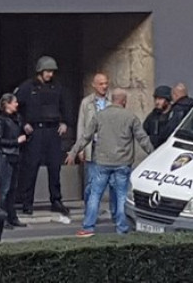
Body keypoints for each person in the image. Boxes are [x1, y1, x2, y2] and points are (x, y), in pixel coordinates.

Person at [65, 88, 154, 237]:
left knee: (95, 195)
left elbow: (86, 136)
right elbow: (142, 139)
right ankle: (122, 228)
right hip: (123, 162)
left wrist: (73, 152)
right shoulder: (130, 117)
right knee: (121, 196)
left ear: (112, 100)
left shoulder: (100, 115)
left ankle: (88, 227)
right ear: (124, 101)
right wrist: (154, 155)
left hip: (102, 162)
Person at [15, 55, 72, 216]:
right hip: (35, 131)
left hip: (52, 131)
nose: (50, 74)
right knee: (31, 167)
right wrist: (23, 124)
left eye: (52, 72)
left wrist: (65, 123)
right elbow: (16, 108)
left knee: (55, 167)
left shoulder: (57, 87)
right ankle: (27, 202)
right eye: (47, 71)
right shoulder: (27, 87)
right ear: (40, 71)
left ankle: (56, 200)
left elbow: (65, 106)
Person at [76, 73, 117, 219]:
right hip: (93, 146)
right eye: (101, 84)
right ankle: (91, 213)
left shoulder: (113, 101)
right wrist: (80, 147)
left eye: (106, 83)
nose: (104, 86)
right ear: (94, 85)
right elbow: (81, 125)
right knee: (92, 183)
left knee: (114, 182)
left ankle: (116, 213)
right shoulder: (87, 103)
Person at [0, 93, 28, 229]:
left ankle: (12, 217)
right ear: (7, 104)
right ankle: (3, 219)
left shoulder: (17, 118)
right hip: (5, 156)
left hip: (15, 155)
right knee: (5, 189)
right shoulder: (1, 119)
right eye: (14, 102)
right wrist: (16, 141)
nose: (17, 104)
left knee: (13, 189)